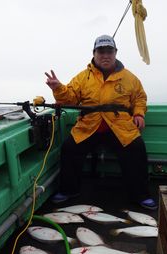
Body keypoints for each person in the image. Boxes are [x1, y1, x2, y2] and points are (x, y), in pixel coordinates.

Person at [45, 35, 157, 210]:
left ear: (115, 53)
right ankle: (68, 190)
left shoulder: (130, 78)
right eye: (101, 51)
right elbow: (71, 99)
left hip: (120, 127)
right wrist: (58, 88)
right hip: (89, 126)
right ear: (94, 54)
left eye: (109, 51)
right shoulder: (83, 77)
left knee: (136, 149)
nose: (105, 55)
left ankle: (140, 195)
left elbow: (140, 98)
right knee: (69, 148)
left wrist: (139, 114)